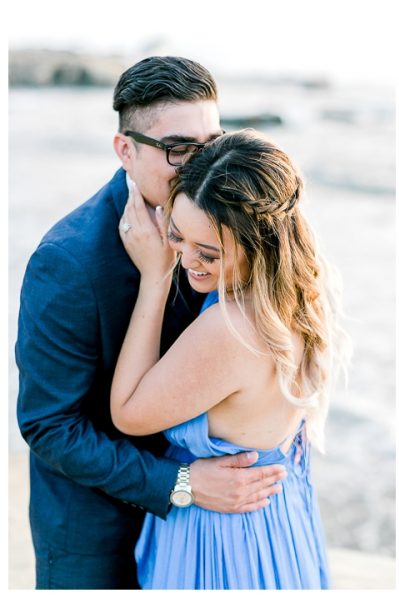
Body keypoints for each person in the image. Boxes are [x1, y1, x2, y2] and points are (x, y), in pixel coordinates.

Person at [16, 57, 286, 590]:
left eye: (209, 145)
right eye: (179, 149)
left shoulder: (228, 224)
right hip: (98, 533)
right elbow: (48, 425)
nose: (199, 165)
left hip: (208, 525)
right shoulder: (67, 262)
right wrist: (181, 482)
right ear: (126, 150)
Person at [110, 129, 345, 589]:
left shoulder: (231, 328)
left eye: (209, 254)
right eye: (176, 237)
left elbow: (128, 414)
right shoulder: (296, 298)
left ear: (259, 245)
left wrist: (154, 282)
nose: (185, 260)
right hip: (275, 519)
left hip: (223, 537)